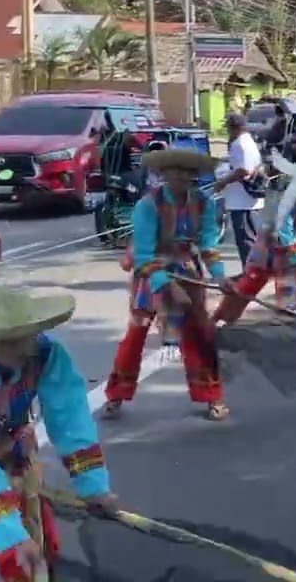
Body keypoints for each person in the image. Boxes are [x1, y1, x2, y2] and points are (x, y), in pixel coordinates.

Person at [0, 286, 118, 581]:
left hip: (16, 451)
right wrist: (12, 537)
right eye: (9, 341)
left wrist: (93, 486)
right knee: (18, 555)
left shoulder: (45, 352)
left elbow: (70, 418)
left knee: (42, 542)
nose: (23, 349)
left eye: (27, 335)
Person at [103, 144, 230, 421]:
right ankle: (116, 394)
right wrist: (168, 286)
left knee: (200, 333)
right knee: (136, 333)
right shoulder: (147, 205)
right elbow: (144, 254)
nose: (180, 177)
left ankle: (211, 394)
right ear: (163, 173)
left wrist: (220, 276)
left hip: (186, 270)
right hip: (152, 272)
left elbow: (208, 244)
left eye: (186, 172)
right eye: (174, 171)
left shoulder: (204, 204)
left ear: (194, 175)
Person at [211, 177, 296, 325]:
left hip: (293, 251)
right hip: (269, 249)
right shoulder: (289, 196)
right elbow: (282, 229)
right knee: (248, 287)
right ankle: (219, 320)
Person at [214, 113, 264, 269]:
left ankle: (250, 273)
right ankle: (250, 272)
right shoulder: (247, 142)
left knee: (245, 239)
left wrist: (222, 182)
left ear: (234, 128)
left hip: (242, 201)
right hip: (247, 200)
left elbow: (243, 170)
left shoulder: (240, 144)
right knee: (249, 238)